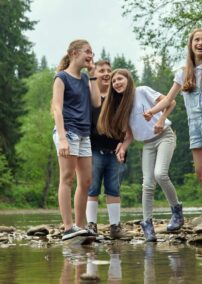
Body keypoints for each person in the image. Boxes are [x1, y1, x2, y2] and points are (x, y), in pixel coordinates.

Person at [143, 29, 202, 229]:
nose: (201, 43)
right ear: (191, 44)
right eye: (197, 40)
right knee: (200, 172)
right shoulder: (183, 72)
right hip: (192, 123)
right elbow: (169, 99)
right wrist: (152, 112)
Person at [97, 69, 183, 242]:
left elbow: (171, 102)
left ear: (128, 80)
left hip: (165, 135)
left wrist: (160, 120)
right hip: (147, 143)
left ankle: (176, 211)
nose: (117, 83)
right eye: (114, 82)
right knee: (147, 183)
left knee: (160, 174)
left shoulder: (142, 91)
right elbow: (129, 135)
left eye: (120, 79)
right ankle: (147, 223)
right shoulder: (121, 106)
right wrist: (122, 148)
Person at [51, 39, 101, 241]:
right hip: (68, 132)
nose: (91, 56)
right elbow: (57, 108)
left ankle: (80, 226)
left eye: (92, 53)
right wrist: (62, 138)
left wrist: (93, 76)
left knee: (86, 181)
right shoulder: (61, 77)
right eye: (87, 52)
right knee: (67, 178)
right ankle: (68, 227)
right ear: (73, 53)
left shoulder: (84, 79)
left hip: (84, 134)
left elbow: (96, 102)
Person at [85, 60, 128, 239]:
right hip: (93, 149)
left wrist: (124, 145)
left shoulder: (118, 97)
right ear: (95, 74)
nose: (106, 73)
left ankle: (115, 227)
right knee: (92, 188)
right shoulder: (89, 95)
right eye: (101, 70)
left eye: (108, 71)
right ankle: (91, 225)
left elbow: (128, 125)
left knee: (113, 188)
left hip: (114, 151)